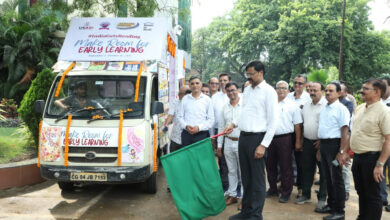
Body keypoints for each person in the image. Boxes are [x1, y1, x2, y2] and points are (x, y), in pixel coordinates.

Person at [224, 60, 278, 220]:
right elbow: (244, 113)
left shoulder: (269, 92)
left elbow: (273, 121)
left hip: (258, 139)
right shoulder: (247, 90)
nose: (249, 77)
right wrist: (233, 124)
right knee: (246, 178)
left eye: (251, 74)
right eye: (247, 74)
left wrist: (263, 145)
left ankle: (255, 215)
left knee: (257, 180)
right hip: (244, 137)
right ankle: (246, 211)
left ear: (261, 73)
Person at [342, 78, 390, 220]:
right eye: (362, 87)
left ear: (377, 92)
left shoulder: (385, 112)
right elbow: (354, 132)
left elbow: (388, 140)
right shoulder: (361, 108)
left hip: (373, 158)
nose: (361, 90)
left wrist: (380, 164)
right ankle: (363, 217)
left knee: (373, 195)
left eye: (365, 88)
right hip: (358, 157)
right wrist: (345, 151)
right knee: (361, 191)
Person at [317, 82, 350, 220]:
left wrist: (341, 151)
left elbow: (345, 131)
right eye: (327, 90)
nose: (328, 93)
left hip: (335, 145)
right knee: (327, 177)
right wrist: (320, 149)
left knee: (337, 179)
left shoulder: (341, 109)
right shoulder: (326, 107)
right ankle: (331, 205)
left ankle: (340, 211)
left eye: (331, 91)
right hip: (324, 145)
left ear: (339, 93)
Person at [266, 80, 302, 203]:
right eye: (278, 88)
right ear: (275, 90)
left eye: (284, 88)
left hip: (285, 138)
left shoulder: (292, 105)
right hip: (269, 138)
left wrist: (298, 142)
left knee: (286, 166)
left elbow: (297, 125)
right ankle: (273, 188)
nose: (281, 90)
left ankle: (286, 192)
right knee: (270, 165)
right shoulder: (270, 104)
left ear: (288, 90)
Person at [298, 82, 328, 211]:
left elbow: (329, 126)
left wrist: (321, 142)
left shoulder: (327, 105)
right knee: (307, 169)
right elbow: (303, 124)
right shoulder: (306, 105)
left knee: (324, 172)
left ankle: (322, 198)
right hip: (308, 142)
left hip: (322, 143)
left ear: (322, 91)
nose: (312, 92)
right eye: (311, 90)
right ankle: (306, 195)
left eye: (316, 90)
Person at [217, 82, 243, 209]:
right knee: (231, 170)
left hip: (241, 141)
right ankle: (232, 194)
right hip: (228, 142)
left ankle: (243, 197)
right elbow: (221, 127)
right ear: (226, 92)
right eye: (228, 91)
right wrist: (219, 145)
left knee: (243, 171)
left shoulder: (245, 105)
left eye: (233, 90)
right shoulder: (224, 107)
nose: (231, 93)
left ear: (238, 90)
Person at [287, 74, 311, 198]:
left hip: (301, 132)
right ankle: (286, 185)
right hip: (288, 131)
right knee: (286, 161)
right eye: (295, 82)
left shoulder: (308, 98)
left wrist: (299, 140)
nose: (297, 85)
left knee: (301, 162)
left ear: (305, 85)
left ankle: (301, 187)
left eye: (300, 83)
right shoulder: (288, 96)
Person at [178, 76, 214, 147]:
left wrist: (199, 128)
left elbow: (211, 119)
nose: (195, 85)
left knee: (200, 157)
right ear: (189, 86)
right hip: (186, 134)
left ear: (201, 84)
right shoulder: (185, 99)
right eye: (192, 84)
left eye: (197, 83)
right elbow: (179, 117)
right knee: (187, 157)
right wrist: (186, 126)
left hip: (202, 135)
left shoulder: (207, 100)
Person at [211, 73, 231, 191]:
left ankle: (236, 187)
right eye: (221, 81)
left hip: (234, 132)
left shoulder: (235, 95)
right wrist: (213, 136)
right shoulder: (215, 97)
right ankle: (225, 186)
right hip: (219, 132)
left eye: (225, 80)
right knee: (222, 160)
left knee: (233, 161)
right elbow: (212, 118)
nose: (223, 82)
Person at [164, 85, 191, 152]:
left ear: (187, 94)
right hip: (175, 137)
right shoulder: (175, 102)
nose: (178, 95)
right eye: (178, 93)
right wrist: (166, 124)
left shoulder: (192, 103)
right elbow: (170, 115)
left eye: (180, 94)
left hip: (188, 137)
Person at [339, 81, 353, 201]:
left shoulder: (348, 104)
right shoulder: (328, 104)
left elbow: (344, 122)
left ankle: (346, 190)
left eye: (341, 89)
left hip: (345, 136)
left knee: (344, 166)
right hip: (333, 138)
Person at [378, 76, 390, 209]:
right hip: (379, 142)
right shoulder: (378, 101)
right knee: (379, 169)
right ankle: (382, 197)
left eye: (383, 85)